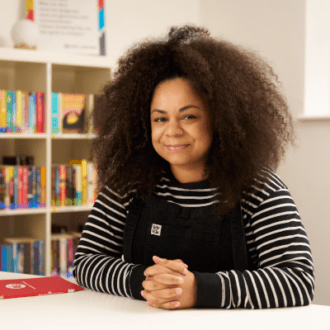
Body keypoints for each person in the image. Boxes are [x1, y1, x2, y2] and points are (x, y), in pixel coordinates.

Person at [73, 25, 315, 310]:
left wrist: (198, 289)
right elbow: (86, 262)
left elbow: (297, 280)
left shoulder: (260, 188)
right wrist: (145, 281)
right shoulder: (127, 184)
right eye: (160, 119)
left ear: (221, 118)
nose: (172, 131)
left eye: (188, 116)